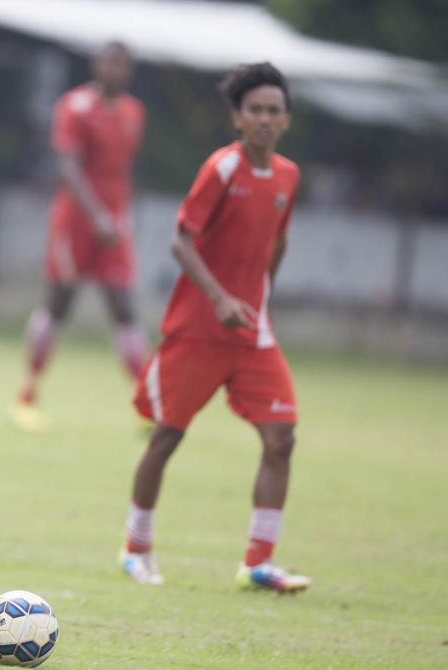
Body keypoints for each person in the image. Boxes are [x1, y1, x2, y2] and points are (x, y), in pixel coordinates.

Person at [120, 63, 310, 593]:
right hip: (199, 330)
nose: (265, 119)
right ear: (238, 117)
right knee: (166, 438)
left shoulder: (289, 177)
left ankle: (258, 563)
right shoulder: (222, 169)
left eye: (274, 110)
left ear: (287, 118)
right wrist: (221, 297)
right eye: (255, 110)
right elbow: (182, 240)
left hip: (252, 335)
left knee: (282, 438)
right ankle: (136, 549)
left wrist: (258, 300)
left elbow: (278, 242)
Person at [13, 41, 149, 431]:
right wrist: (98, 216)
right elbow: (69, 168)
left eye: (122, 63)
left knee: (123, 306)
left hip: (114, 226)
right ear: (96, 65)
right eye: (109, 62)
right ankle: (27, 394)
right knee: (59, 305)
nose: (116, 69)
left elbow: (124, 171)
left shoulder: (134, 113)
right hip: (75, 222)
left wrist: (122, 216)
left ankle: (145, 403)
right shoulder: (75, 107)